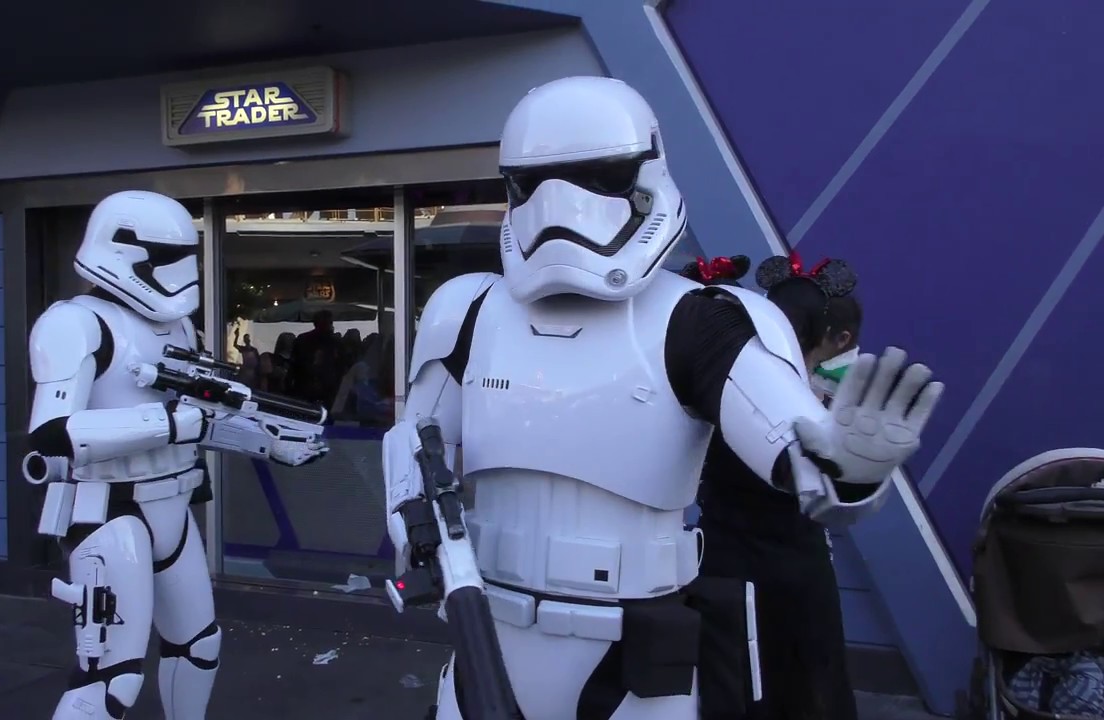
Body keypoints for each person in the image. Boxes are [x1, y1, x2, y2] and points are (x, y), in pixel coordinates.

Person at [379, 77, 944, 720]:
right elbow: (412, 453)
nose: (560, 205)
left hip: (637, 655)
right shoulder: (471, 310)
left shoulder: (700, 321)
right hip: (489, 631)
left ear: (645, 175)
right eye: (533, 183)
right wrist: (415, 536)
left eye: (597, 176)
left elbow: (799, 454)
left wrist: (852, 468)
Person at [24, 190, 327, 720]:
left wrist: (269, 442)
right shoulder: (75, 323)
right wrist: (170, 422)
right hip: (110, 510)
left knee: (199, 646)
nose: (181, 273)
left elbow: (201, 419)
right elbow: (52, 433)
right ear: (122, 251)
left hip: (174, 505)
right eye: (166, 258)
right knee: (111, 678)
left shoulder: (178, 326)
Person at [693, 251, 871, 720]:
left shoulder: (715, 378)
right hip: (795, 570)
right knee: (810, 684)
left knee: (729, 683)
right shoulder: (822, 409)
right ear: (833, 338)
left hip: (719, 563)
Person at [289, 310, 343, 406]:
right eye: (327, 323)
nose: (329, 325)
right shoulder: (332, 341)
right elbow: (296, 364)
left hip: (322, 386)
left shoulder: (333, 341)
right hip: (310, 385)